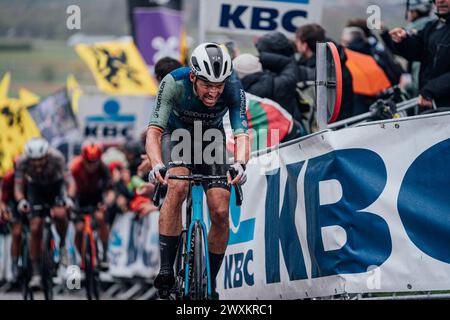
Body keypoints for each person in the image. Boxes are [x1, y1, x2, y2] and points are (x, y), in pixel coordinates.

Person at [145, 42, 250, 299]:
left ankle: (209, 281)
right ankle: (167, 268)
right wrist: (157, 163)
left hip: (210, 137)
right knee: (178, 186)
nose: (214, 92)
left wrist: (241, 163)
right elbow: (154, 131)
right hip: (176, 134)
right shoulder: (173, 83)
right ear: (193, 76)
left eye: (219, 85)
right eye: (207, 85)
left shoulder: (235, 88)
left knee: (221, 209)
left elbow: (242, 133)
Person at [14, 137, 73, 288]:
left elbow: (69, 180)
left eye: (41, 160)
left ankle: (62, 245)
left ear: (47, 155)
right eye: (34, 161)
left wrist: (69, 198)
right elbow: (19, 186)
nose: (37, 164)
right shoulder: (22, 162)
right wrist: (21, 201)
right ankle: (36, 273)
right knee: (35, 228)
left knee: (60, 215)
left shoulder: (57, 157)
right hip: (36, 189)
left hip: (56, 186)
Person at [389, 0, 450, 109]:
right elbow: (418, 52)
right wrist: (403, 40)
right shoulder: (432, 27)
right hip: (431, 105)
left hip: (442, 107)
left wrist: (431, 90)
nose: (440, 1)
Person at [295, 23, 355, 121]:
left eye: (297, 41)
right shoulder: (334, 60)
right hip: (340, 121)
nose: (295, 44)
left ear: (305, 45)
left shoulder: (318, 70)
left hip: (330, 126)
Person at [68, 141, 112, 270]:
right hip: (79, 197)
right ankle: (82, 256)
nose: (92, 166)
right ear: (83, 158)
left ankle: (104, 253)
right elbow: (70, 186)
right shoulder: (75, 166)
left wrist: (107, 203)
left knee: (100, 218)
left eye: (95, 162)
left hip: (96, 197)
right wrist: (70, 201)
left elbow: (110, 190)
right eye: (89, 162)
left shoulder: (103, 167)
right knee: (79, 229)